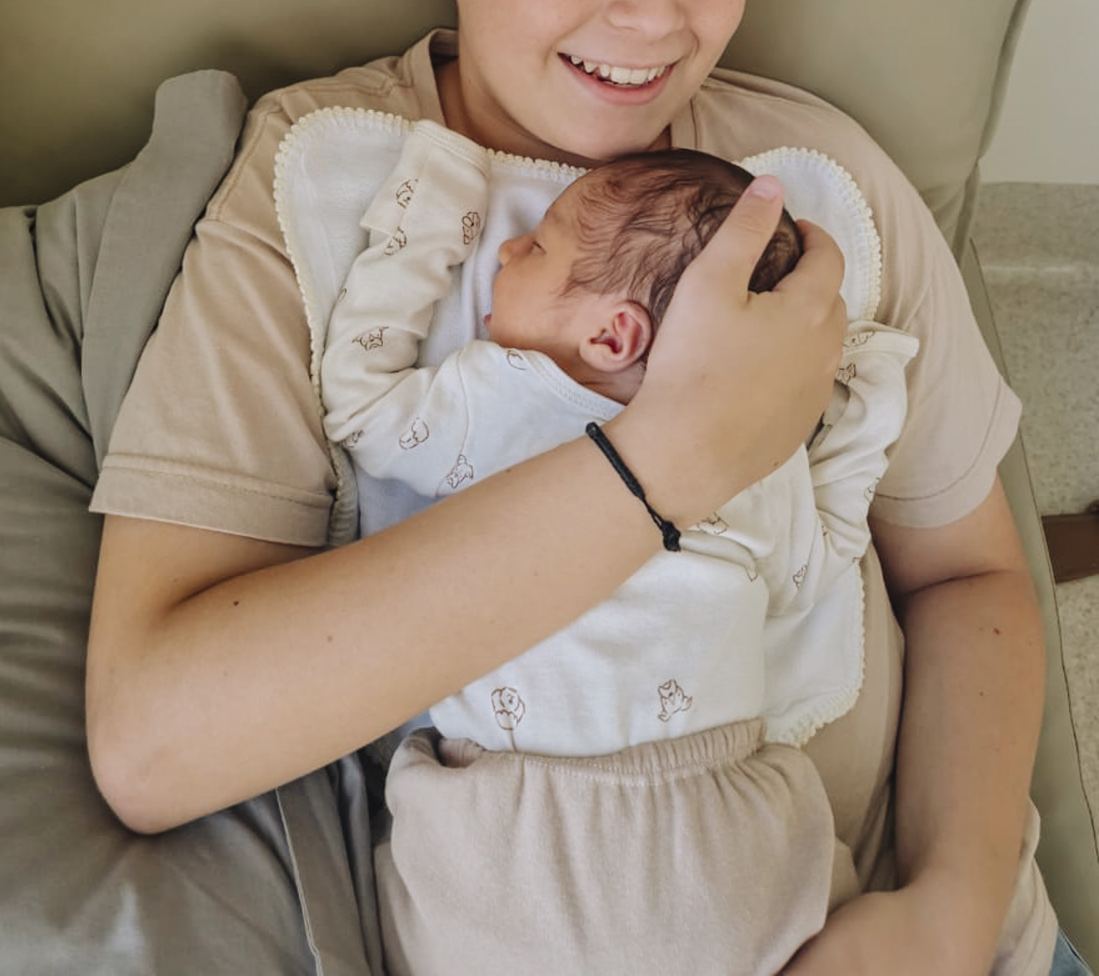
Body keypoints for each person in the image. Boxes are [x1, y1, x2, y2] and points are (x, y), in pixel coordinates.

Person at [86, 0, 1062, 975]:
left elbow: (971, 573)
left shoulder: (817, 181)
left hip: (885, 919)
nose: (652, 14)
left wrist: (950, 909)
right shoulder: (327, 188)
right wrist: (669, 460)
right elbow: (154, 744)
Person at [314, 126, 919, 973]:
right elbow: (812, 568)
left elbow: (361, 407)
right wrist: (859, 401)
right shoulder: (761, 446)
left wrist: (426, 221)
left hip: (511, 826)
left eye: (537, 247)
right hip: (721, 827)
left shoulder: (511, 393)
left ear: (613, 337)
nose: (506, 249)